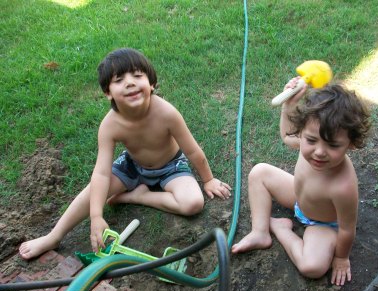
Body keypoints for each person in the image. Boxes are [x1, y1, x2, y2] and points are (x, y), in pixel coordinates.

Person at [19, 48, 231, 260]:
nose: (130, 83)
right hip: (132, 165)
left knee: (193, 203)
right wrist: (96, 215)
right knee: (93, 190)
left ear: (151, 83)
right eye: (119, 80)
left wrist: (209, 179)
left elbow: (192, 150)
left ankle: (140, 196)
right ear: (108, 92)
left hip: (170, 166)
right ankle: (54, 236)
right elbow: (101, 173)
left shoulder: (167, 113)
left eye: (137, 76)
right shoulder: (110, 125)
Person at [232, 78, 370, 286]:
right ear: (303, 132)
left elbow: (347, 229)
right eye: (311, 141)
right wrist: (289, 105)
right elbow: (288, 137)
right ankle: (260, 232)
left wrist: (341, 257)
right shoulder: (309, 139)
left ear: (350, 144)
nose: (319, 152)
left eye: (333, 145)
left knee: (311, 267)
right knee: (259, 172)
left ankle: (281, 229)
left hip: (322, 223)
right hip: (299, 199)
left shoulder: (343, 186)